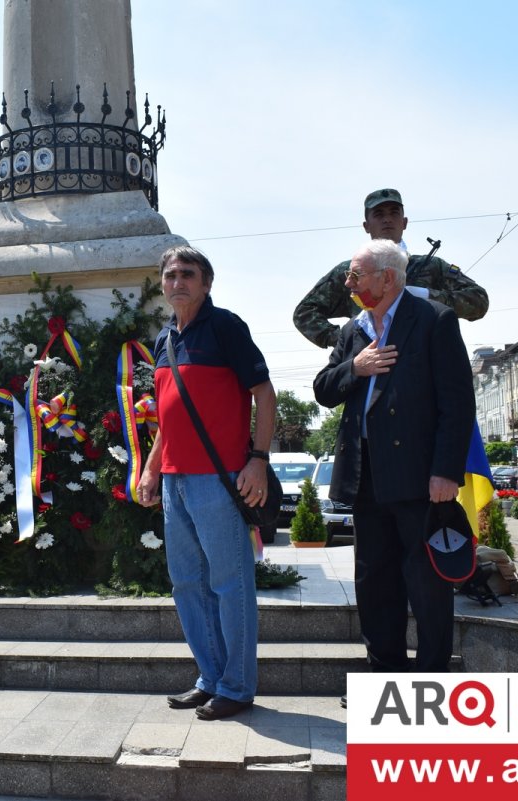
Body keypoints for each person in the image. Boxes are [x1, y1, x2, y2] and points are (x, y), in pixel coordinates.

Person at [314, 239, 474, 677]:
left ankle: (430, 678)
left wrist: (446, 471)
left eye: (355, 275)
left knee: (426, 584)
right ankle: (383, 674)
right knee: (374, 582)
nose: (348, 283)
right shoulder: (353, 331)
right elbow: (324, 389)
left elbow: (457, 403)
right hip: (365, 477)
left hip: (419, 478)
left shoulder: (433, 320)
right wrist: (356, 367)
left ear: (387, 278)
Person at [137, 245, 277, 721]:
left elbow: (264, 393)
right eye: (171, 274)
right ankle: (210, 677)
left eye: (188, 274)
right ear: (162, 283)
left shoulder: (227, 327)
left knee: (229, 582)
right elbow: (167, 418)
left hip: (219, 478)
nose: (178, 282)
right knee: (187, 584)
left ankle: (237, 686)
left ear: (206, 282)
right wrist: (152, 466)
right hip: (174, 479)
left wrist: (257, 460)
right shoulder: (163, 340)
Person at [293, 189, 489, 349]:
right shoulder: (350, 271)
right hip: (370, 366)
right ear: (366, 225)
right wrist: (344, 339)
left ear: (404, 222)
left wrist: (427, 295)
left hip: (423, 363)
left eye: (394, 213)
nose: (387, 219)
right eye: (379, 214)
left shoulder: (431, 266)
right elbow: (304, 313)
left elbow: (478, 300)